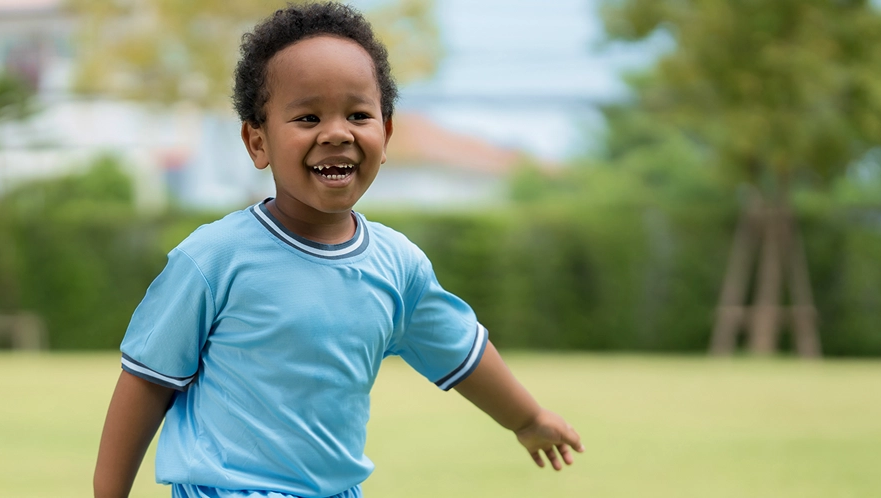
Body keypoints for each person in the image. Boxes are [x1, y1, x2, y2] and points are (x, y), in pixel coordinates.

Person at [93, 4, 583, 497]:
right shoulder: (213, 259)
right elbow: (147, 381)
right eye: (308, 117)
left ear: (385, 133)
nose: (336, 132)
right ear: (257, 141)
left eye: (358, 114)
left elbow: (463, 352)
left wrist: (528, 418)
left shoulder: (397, 266)